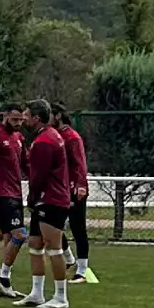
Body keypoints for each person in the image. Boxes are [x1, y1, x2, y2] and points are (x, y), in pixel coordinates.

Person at [19, 100, 73, 308]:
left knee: (53, 247)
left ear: (36, 118)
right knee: (34, 244)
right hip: (48, 198)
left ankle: (61, 296)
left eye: (26, 115)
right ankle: (37, 293)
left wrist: (32, 197)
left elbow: (39, 175)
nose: (24, 118)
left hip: (51, 199)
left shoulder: (44, 142)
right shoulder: (50, 136)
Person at [0, 104, 30, 300]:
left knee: (10, 236)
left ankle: (5, 283)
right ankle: (4, 278)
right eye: (15, 119)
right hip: (1, 194)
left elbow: (27, 163)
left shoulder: (19, 138)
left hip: (16, 193)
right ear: (5, 116)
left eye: (21, 120)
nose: (18, 123)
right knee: (20, 234)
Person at [57, 108, 91, 279]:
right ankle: (69, 258)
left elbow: (80, 163)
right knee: (52, 225)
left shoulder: (72, 137)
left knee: (78, 228)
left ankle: (82, 270)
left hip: (73, 189)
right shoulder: (54, 136)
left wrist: (81, 185)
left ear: (57, 116)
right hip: (58, 188)